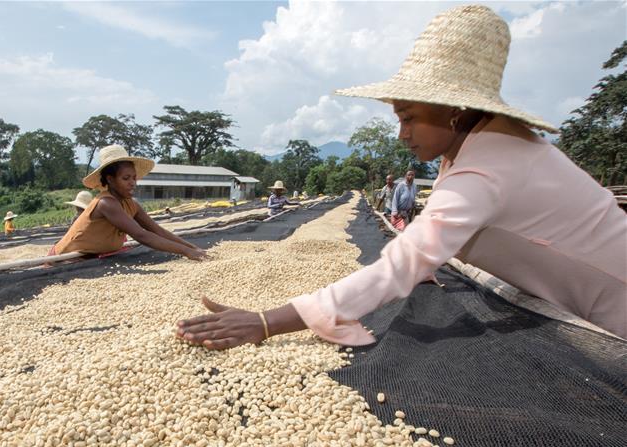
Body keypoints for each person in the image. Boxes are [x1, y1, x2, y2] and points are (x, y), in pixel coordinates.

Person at [176, 4, 627, 348]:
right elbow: (433, 240)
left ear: (455, 110)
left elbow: (400, 262)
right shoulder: (478, 145)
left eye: (409, 117)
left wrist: (266, 321)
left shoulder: (489, 165)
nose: (402, 133)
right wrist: (429, 259)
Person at [51, 145, 207, 260]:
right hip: (65, 260)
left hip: (94, 257)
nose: (132, 183)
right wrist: (186, 252)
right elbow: (141, 235)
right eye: (126, 178)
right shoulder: (106, 203)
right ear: (110, 180)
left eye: (134, 178)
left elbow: (157, 231)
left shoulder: (131, 204)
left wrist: (192, 247)